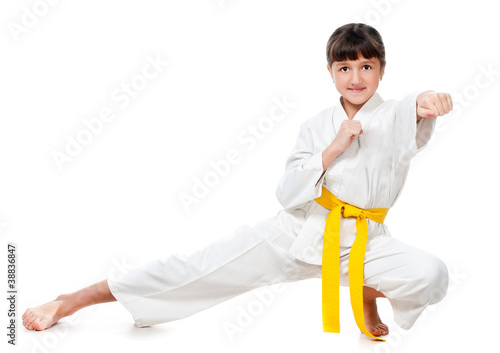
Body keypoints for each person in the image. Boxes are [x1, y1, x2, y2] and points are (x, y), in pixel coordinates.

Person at [22, 23, 452, 339]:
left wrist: (426, 99)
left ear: (381, 70)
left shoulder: (394, 112)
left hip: (363, 240)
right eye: (345, 67)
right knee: (192, 270)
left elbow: (412, 108)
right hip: (295, 233)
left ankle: (365, 289)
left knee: (431, 275)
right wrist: (333, 149)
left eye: (366, 66)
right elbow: (286, 194)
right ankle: (71, 299)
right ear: (330, 72)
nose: (356, 78)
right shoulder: (318, 126)